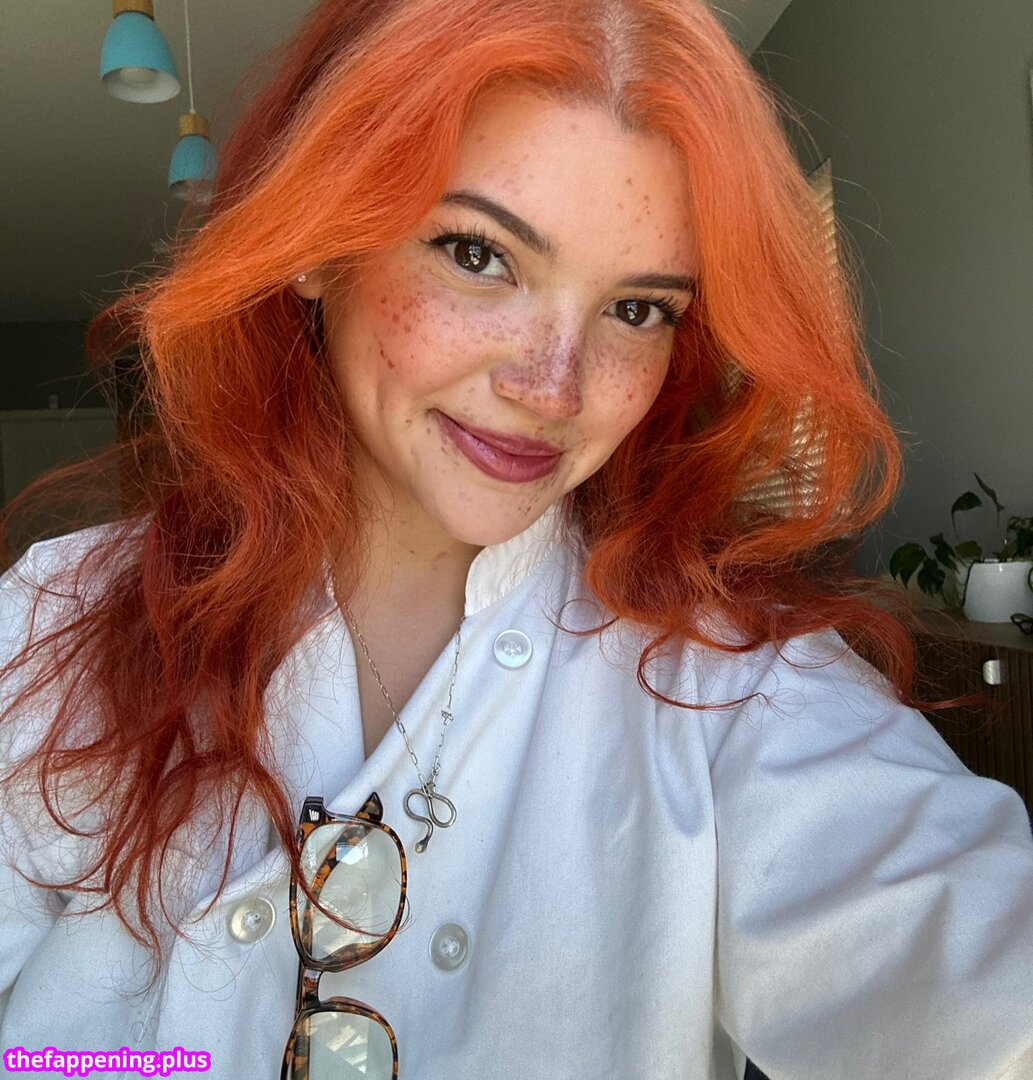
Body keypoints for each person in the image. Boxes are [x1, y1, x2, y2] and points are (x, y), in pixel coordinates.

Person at [1, 0, 1032, 1077]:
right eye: (477, 253)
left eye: (637, 309)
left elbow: (960, 959)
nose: (554, 389)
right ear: (317, 239)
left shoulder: (732, 684)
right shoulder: (56, 618)